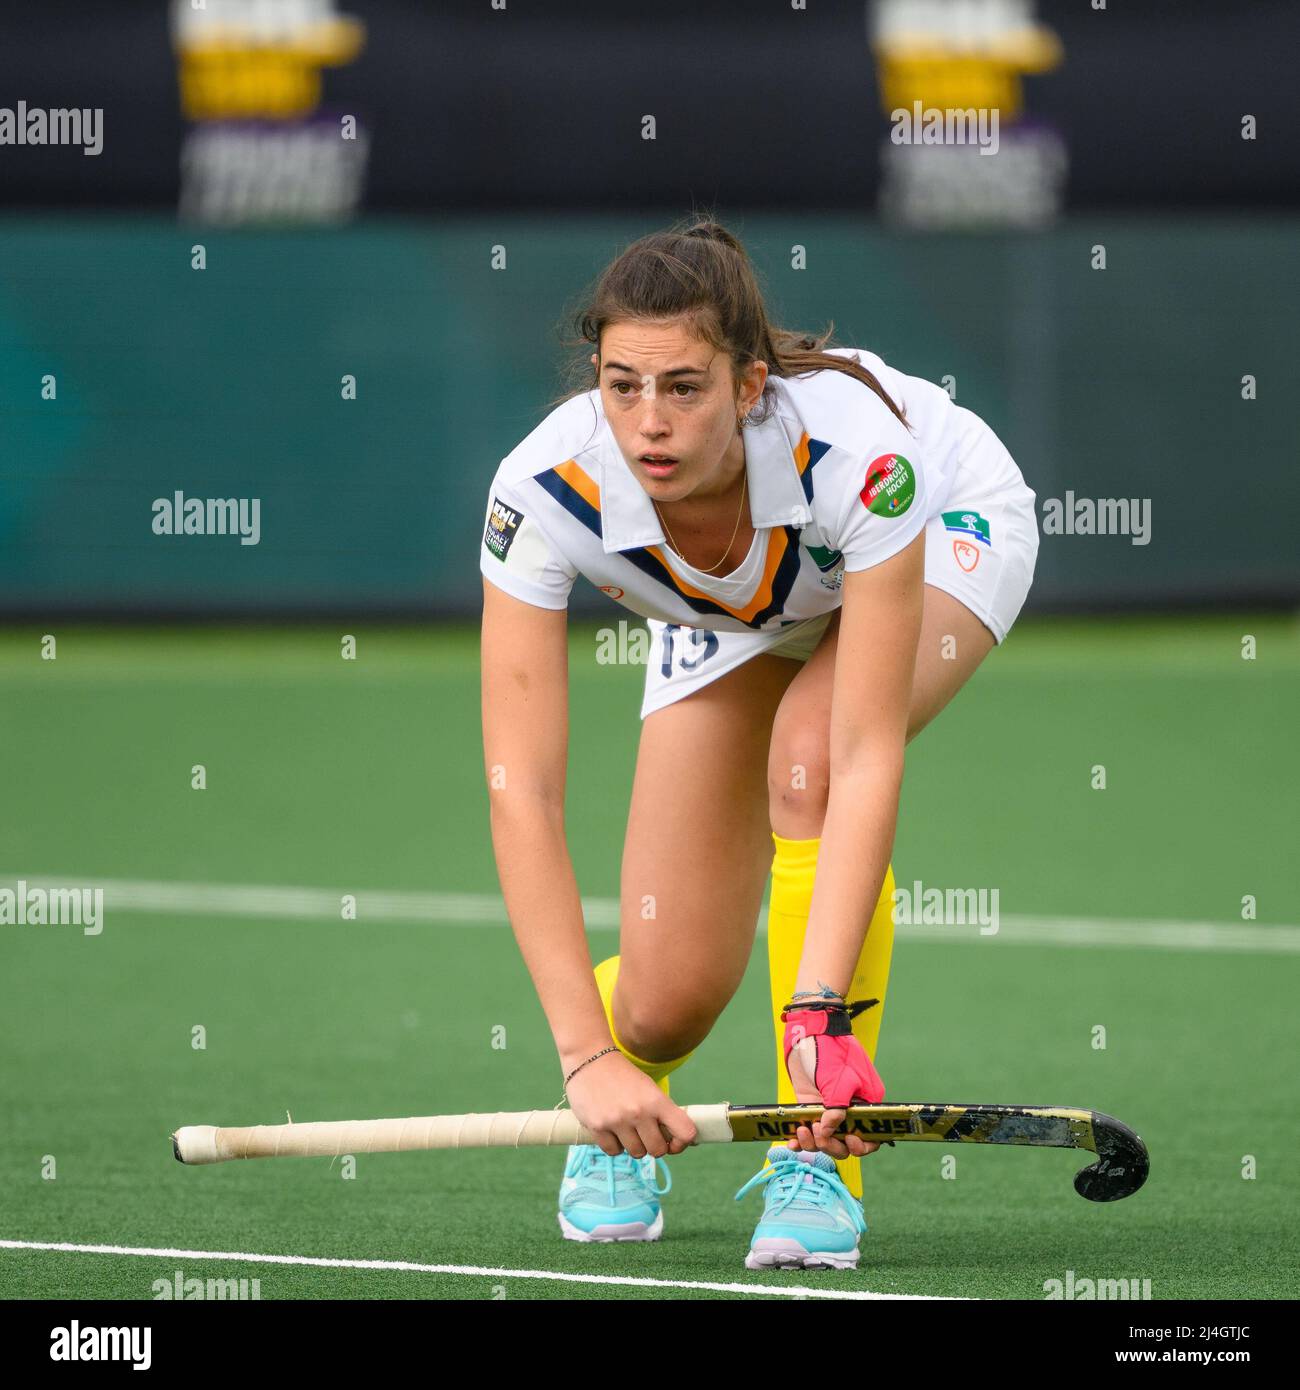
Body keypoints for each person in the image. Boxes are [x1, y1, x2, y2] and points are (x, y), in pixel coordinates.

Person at [478, 218, 1038, 1270]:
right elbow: (524, 788)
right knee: (667, 995)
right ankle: (629, 1085)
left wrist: (818, 1018)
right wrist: (588, 1054)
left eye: (683, 387)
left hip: (941, 525)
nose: (649, 421)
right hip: (732, 609)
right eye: (622, 383)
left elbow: (863, 756)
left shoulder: (861, 457)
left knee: (809, 755)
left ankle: (815, 1148)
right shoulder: (544, 491)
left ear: (746, 386)